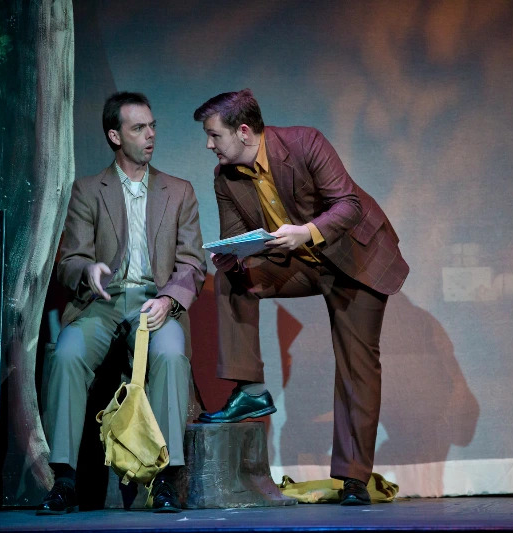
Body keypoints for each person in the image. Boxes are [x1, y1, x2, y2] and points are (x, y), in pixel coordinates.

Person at [193, 89, 408, 506]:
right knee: (230, 281)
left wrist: (306, 232)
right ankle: (250, 389)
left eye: (214, 135)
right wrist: (233, 257)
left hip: (354, 257)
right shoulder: (225, 178)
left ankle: (354, 479)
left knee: (356, 365)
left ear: (243, 131)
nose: (209, 145)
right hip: (298, 261)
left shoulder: (304, 143)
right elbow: (236, 237)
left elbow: (348, 205)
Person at [39, 92, 206, 514]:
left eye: (152, 126)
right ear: (115, 136)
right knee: (67, 353)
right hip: (102, 304)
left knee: (171, 353)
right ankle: (64, 479)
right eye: (138, 128)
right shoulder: (88, 191)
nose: (150, 135)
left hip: (154, 304)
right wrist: (88, 270)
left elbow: (192, 263)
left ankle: (166, 478)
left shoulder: (179, 192)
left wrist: (169, 299)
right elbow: (69, 261)